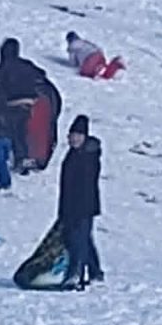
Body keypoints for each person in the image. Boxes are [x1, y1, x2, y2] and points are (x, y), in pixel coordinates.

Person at [58, 114, 103, 291]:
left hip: (84, 206)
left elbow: (85, 184)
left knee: (78, 241)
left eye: (77, 135)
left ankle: (75, 274)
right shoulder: (74, 154)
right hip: (70, 205)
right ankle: (95, 271)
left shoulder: (88, 156)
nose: (73, 139)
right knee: (83, 239)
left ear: (84, 137)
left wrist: (76, 209)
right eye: (71, 135)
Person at [0, 38, 47, 172]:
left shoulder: (2, 68)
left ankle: (19, 160)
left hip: (12, 104)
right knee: (22, 133)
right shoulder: (26, 64)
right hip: (29, 104)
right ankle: (25, 161)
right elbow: (42, 73)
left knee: (14, 133)